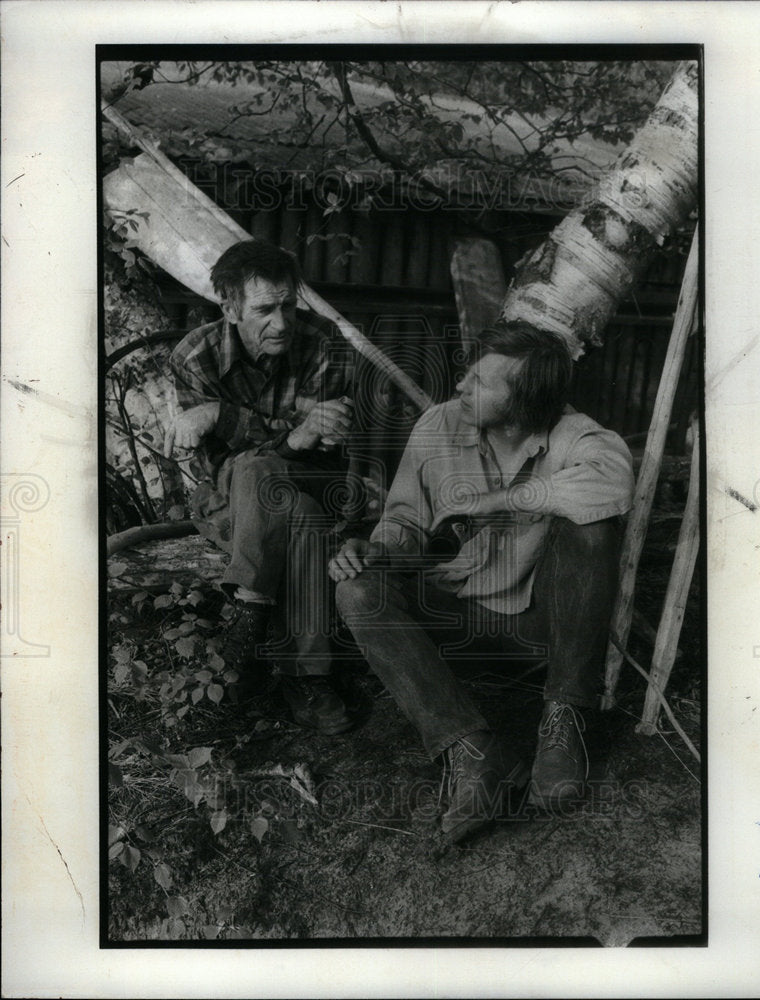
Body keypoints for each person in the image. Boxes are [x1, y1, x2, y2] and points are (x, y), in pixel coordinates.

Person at [330, 322, 635, 841]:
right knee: (357, 590)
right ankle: (474, 753)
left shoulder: (575, 436)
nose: (462, 387)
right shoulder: (438, 425)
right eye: (468, 373)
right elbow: (405, 522)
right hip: (460, 623)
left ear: (525, 400)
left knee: (592, 529)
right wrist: (375, 549)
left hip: (546, 635)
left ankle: (563, 722)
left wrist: (495, 502)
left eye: (482, 381)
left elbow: (613, 482)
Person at [166, 239, 354, 735]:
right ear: (229, 308)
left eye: (289, 305)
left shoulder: (321, 342)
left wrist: (224, 417)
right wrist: (290, 430)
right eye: (265, 310)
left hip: (308, 478)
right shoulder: (196, 355)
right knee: (280, 497)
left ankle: (247, 613)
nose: (282, 322)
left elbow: (324, 448)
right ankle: (308, 676)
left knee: (268, 475)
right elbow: (218, 463)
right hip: (229, 496)